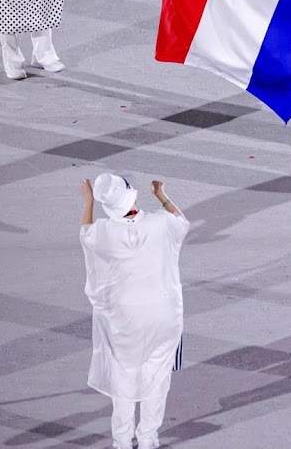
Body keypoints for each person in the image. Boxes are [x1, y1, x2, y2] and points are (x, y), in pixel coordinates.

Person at [80, 174, 189, 449]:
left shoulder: (105, 232)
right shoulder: (160, 223)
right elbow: (181, 222)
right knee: (157, 378)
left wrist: (88, 200)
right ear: (132, 196)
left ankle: (121, 441)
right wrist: (161, 195)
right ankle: (148, 439)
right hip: (163, 317)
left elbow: (86, 232)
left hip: (124, 321)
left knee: (124, 381)